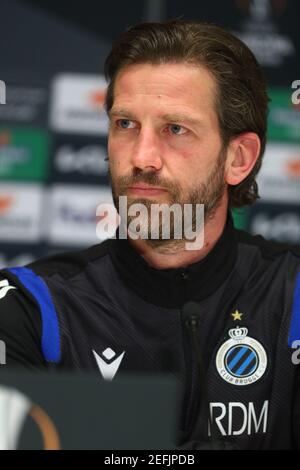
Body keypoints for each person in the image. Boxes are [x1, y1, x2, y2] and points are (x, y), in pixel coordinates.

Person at [0, 20, 300, 450]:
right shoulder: (30, 308)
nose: (141, 157)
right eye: (125, 124)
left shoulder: (293, 298)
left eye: (175, 129)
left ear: (239, 158)